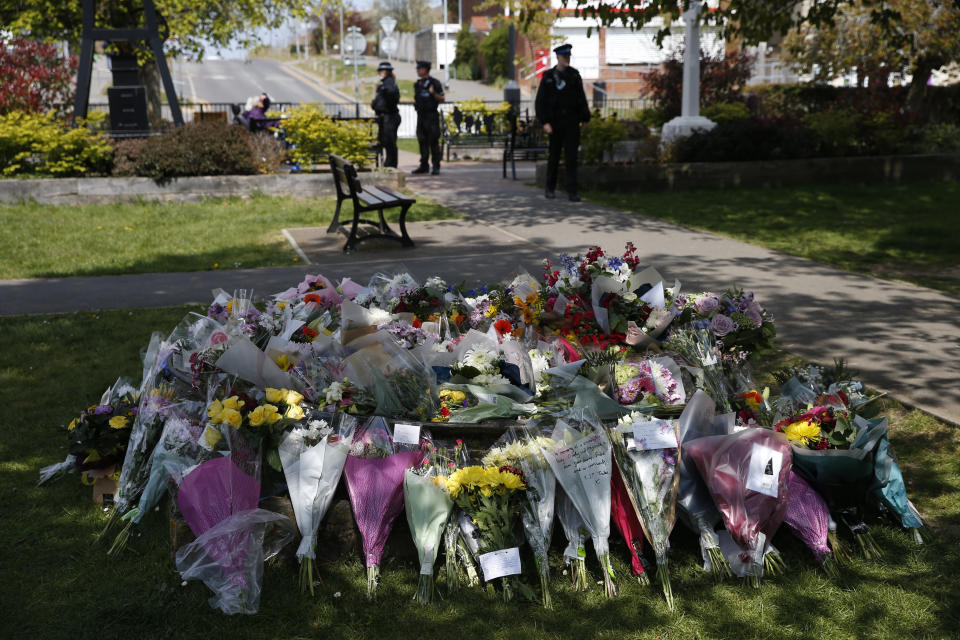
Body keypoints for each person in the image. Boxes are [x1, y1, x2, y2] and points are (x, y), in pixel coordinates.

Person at [535, 44, 591, 201]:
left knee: (571, 158)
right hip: (555, 123)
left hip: (571, 122)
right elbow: (541, 102)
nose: (567, 59)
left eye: (568, 57)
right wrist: (545, 122)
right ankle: (549, 188)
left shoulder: (574, 76)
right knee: (554, 156)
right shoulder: (548, 77)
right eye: (564, 57)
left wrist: (585, 118)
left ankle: (572, 191)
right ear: (558, 57)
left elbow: (581, 98)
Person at [412, 60, 445, 175]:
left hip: (431, 116)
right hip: (421, 116)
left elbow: (442, 98)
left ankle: (436, 166)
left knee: (433, 142)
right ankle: (424, 165)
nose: (417, 70)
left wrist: (433, 93)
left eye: (419, 68)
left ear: (425, 69)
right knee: (422, 141)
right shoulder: (417, 84)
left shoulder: (434, 82)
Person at [372, 61, 401, 168]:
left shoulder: (388, 83)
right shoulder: (385, 83)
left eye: (381, 71)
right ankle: (389, 164)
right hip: (386, 116)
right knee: (387, 142)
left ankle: (391, 164)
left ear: (385, 72)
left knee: (390, 142)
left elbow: (389, 98)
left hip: (389, 116)